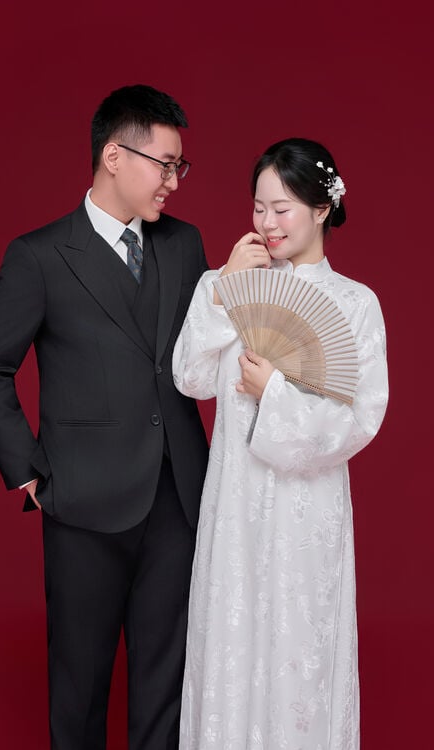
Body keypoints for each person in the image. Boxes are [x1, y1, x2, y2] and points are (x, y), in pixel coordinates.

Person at [0, 84, 209, 750]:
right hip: (81, 502)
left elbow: (201, 355)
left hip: (177, 495)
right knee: (79, 686)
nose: (174, 181)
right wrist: (29, 472)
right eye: (165, 164)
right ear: (113, 156)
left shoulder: (184, 245)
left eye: (180, 166)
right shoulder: (41, 255)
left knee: (166, 684)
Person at [173, 137, 388, 749]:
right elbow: (189, 377)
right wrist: (223, 289)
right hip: (234, 504)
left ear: (321, 209)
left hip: (307, 514)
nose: (267, 223)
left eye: (282, 208)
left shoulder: (356, 305)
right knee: (229, 643)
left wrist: (273, 392)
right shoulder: (226, 284)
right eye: (258, 207)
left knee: (301, 653)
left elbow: (359, 421)